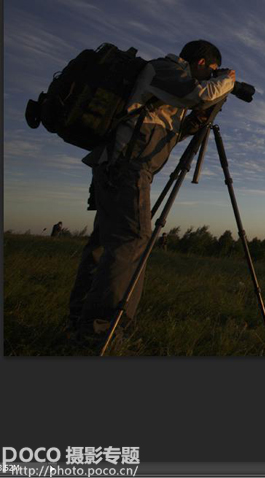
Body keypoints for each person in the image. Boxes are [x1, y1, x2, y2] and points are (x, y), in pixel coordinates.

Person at [67, 40, 236, 343]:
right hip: (127, 168)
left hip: (119, 167)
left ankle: (80, 319)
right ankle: (101, 330)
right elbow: (199, 94)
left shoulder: (168, 90)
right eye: (210, 69)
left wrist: (194, 124)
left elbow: (166, 135)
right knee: (131, 242)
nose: (211, 75)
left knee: (105, 243)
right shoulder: (164, 69)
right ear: (200, 63)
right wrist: (227, 79)